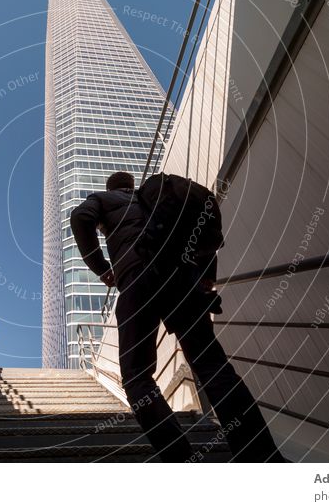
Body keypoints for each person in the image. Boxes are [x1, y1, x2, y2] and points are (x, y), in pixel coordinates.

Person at [69, 171, 284, 462]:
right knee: (213, 366)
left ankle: (179, 458)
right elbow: (199, 233)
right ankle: (261, 457)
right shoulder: (161, 197)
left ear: (111, 188)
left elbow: (81, 218)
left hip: (138, 280)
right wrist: (206, 277)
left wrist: (101, 267)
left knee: (137, 377)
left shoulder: (102, 199)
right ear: (133, 185)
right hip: (182, 279)